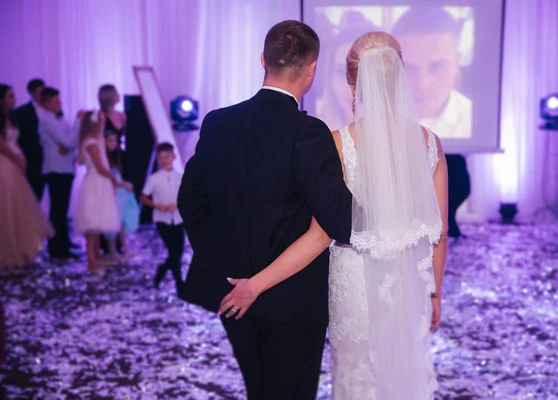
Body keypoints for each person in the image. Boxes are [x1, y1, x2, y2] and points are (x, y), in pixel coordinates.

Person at [220, 32, 449, 399]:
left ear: (350, 80)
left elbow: (319, 235)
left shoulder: (338, 143)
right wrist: (435, 294)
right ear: (400, 76)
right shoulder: (430, 144)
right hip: (409, 285)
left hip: (354, 286)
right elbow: (439, 234)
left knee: (356, 381)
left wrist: (256, 284)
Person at [178, 20, 353, 400]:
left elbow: (190, 201)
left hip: (232, 292)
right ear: (311, 70)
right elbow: (340, 222)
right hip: (293, 300)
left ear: (263, 60)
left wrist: (224, 263)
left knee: (258, 390)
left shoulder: (218, 122)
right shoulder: (309, 132)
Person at [393, 7, 472, 139]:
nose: (423, 85)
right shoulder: (369, 118)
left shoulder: (472, 119)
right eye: (409, 68)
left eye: (437, 67)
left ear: (457, 62)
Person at [0, 84, 54, 269]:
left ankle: (19, 249)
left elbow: (18, 141)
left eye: (14, 95)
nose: (13, 99)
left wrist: (21, 158)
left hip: (16, 164)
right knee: (6, 206)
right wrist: (16, 158)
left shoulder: (12, 117)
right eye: (9, 96)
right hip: (5, 164)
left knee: (18, 207)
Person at [74, 111, 121, 276]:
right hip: (96, 182)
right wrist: (113, 178)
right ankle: (91, 261)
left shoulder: (95, 141)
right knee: (92, 222)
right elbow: (100, 167)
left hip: (98, 183)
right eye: (101, 121)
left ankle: (97, 255)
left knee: (96, 219)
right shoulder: (91, 143)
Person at [38, 87, 80, 260]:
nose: (59, 104)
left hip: (65, 169)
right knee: (58, 211)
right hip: (56, 170)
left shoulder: (59, 119)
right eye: (56, 101)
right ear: (46, 103)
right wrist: (78, 121)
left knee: (62, 210)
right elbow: (69, 141)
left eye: (59, 101)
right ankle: (57, 249)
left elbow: (71, 141)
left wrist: (69, 144)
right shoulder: (47, 121)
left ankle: (63, 244)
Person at [141, 143, 184, 294]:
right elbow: (143, 197)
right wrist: (156, 204)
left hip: (178, 219)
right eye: (160, 158)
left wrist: (178, 205)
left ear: (173, 157)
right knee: (174, 251)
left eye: (167, 157)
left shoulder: (180, 176)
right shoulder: (154, 178)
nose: (164, 160)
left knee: (177, 252)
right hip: (162, 220)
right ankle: (180, 283)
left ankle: (162, 269)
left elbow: (186, 196)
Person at [98, 84, 127, 256]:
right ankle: (107, 242)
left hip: (120, 156)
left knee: (121, 200)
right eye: (115, 94)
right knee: (108, 197)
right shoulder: (101, 116)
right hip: (106, 155)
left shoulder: (122, 115)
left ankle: (118, 242)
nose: (118, 96)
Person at [103, 131, 139, 261]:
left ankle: (126, 249)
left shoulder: (118, 157)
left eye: (115, 141)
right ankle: (112, 251)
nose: (113, 144)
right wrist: (123, 184)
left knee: (122, 222)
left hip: (122, 195)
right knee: (112, 223)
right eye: (110, 140)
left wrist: (126, 184)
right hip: (112, 194)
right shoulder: (103, 158)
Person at [15, 78, 46, 200]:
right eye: (40, 92)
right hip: (33, 162)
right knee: (33, 197)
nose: (43, 95)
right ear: (32, 94)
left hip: (51, 162)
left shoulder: (52, 109)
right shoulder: (21, 112)